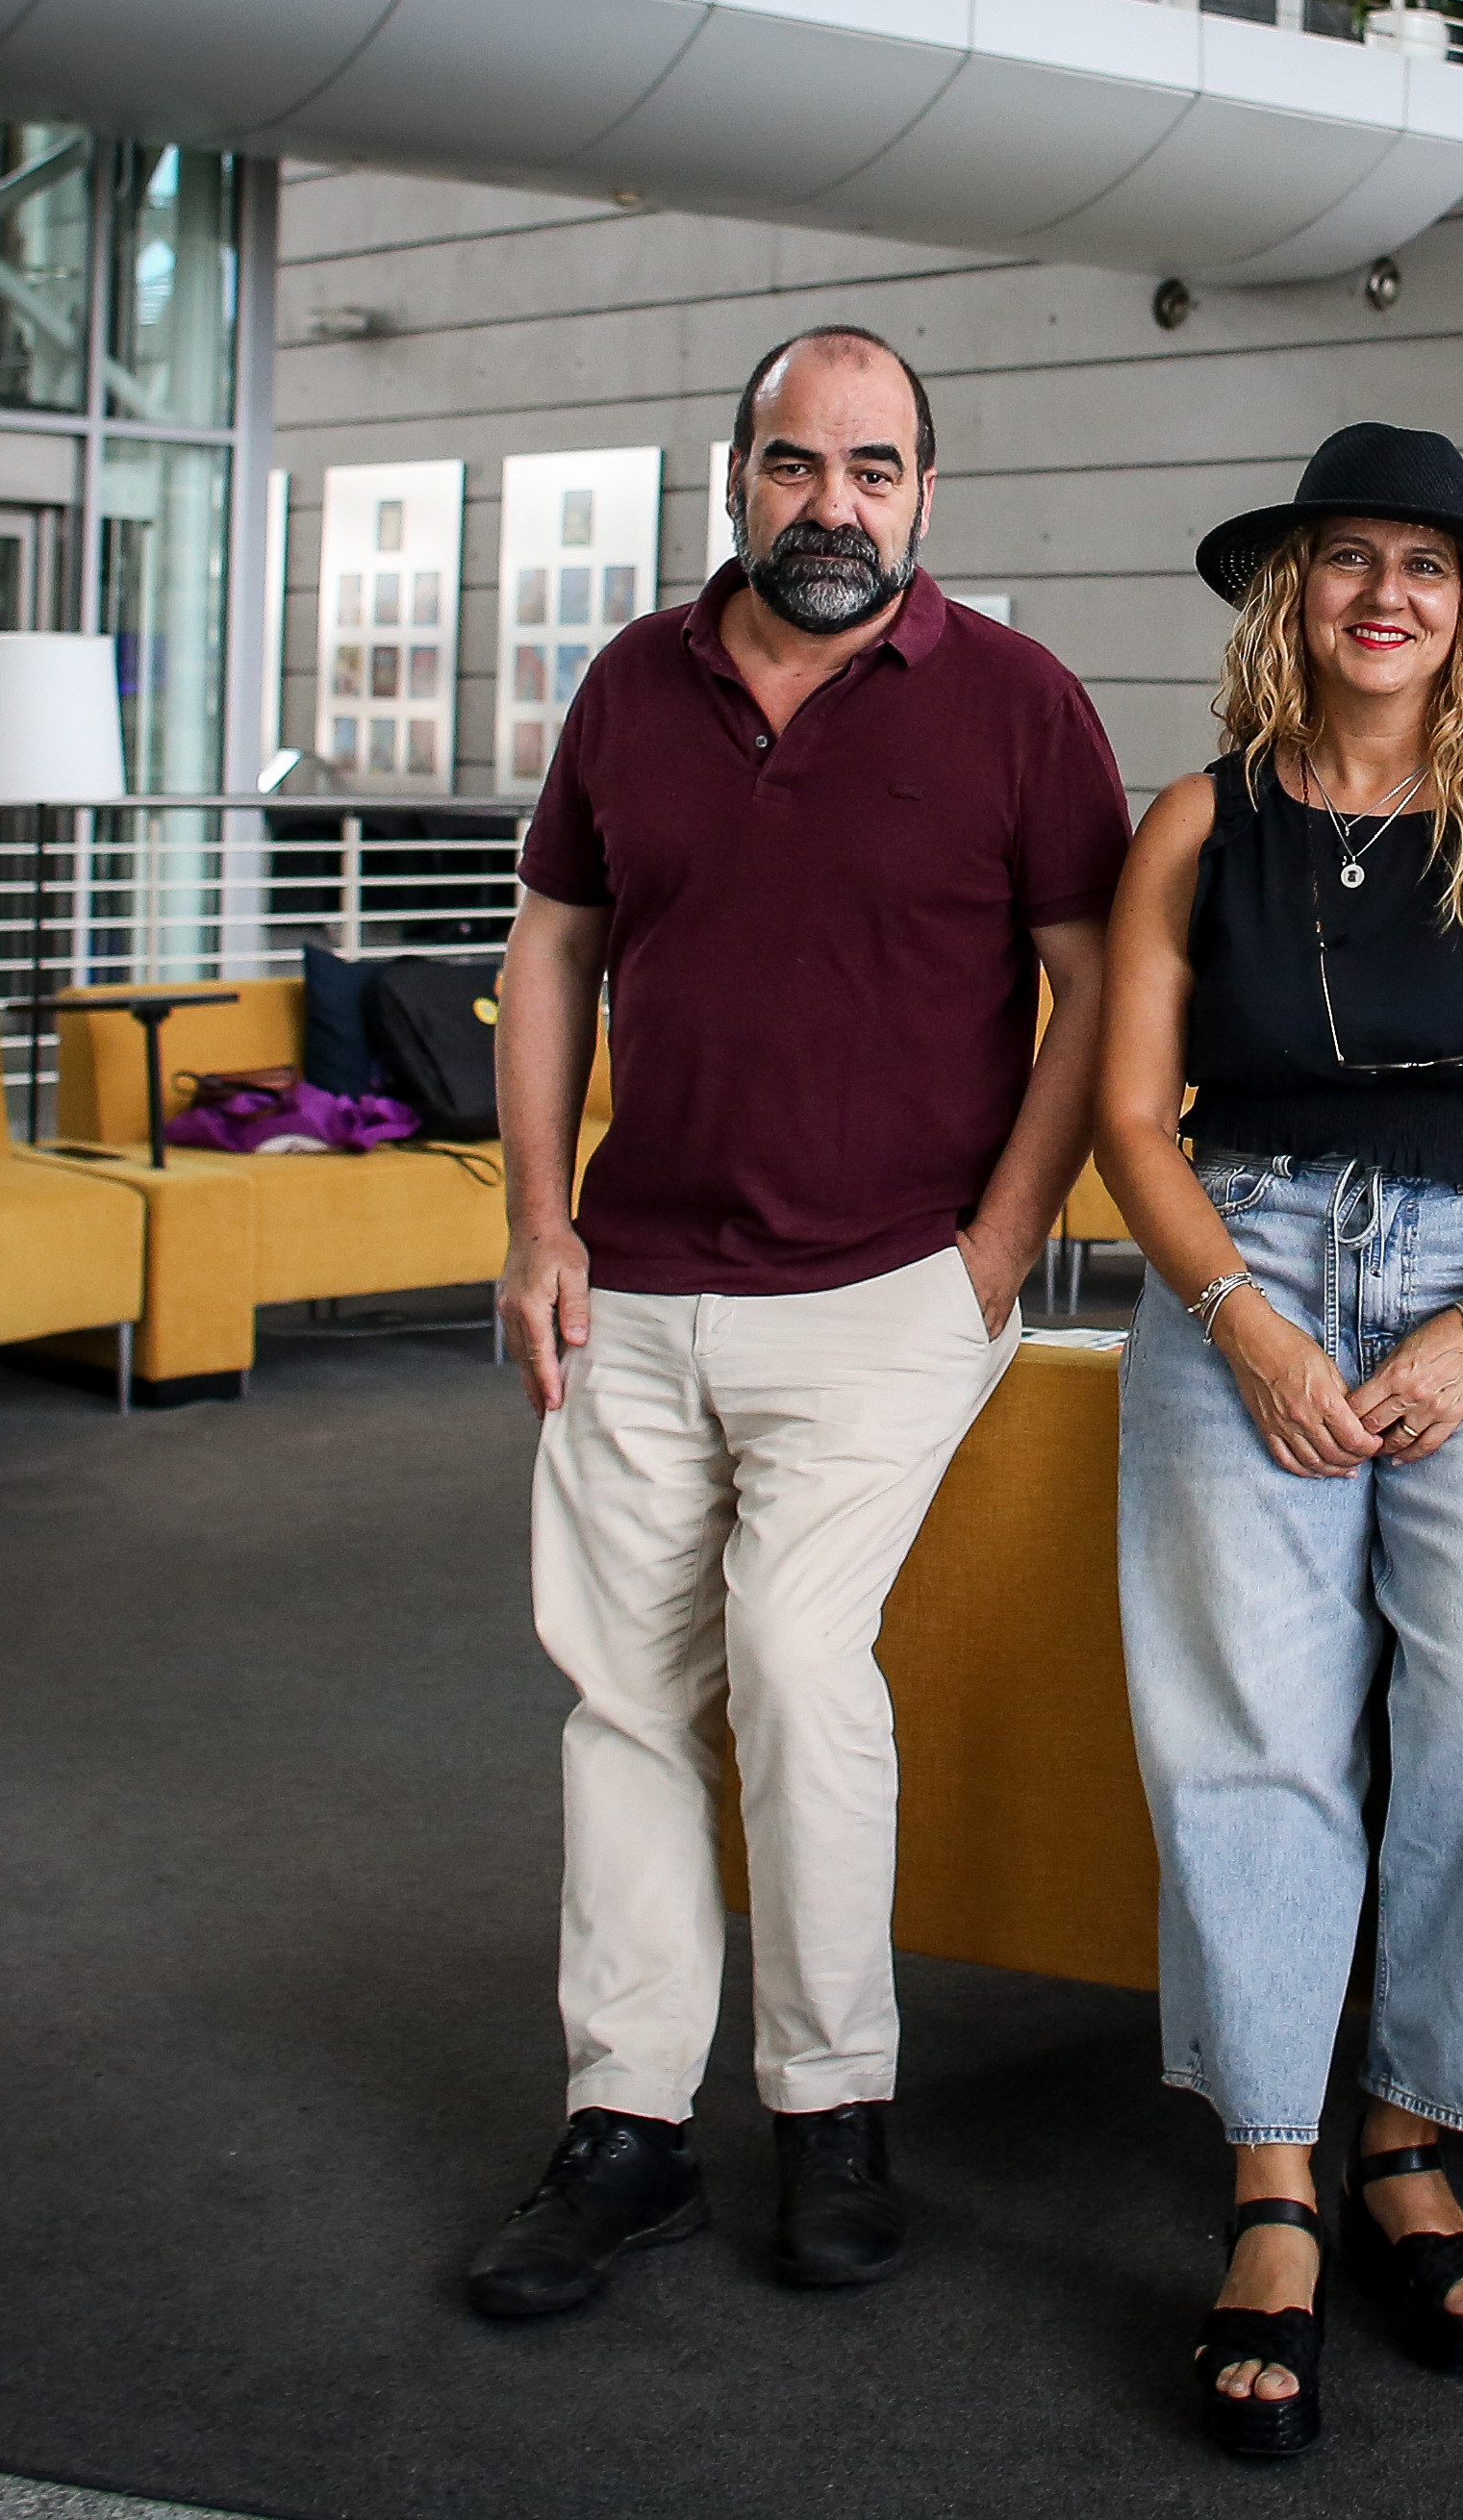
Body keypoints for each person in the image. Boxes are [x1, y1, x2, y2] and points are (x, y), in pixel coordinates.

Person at [464, 325, 1133, 2319]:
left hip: (886, 1285)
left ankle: (836, 2101)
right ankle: (628, 2125)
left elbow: (1092, 983)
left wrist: (1004, 1237)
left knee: (787, 1647)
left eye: (872, 467)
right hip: (637, 1278)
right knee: (620, 1690)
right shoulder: (629, 688)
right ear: (735, 477)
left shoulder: (1017, 703)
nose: (828, 503)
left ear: (928, 495)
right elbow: (556, 943)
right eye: (792, 465)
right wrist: (534, 1221)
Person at [1096, 423, 1463, 2457]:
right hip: (1238, 1264)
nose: (1387, 597)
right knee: (1243, 1716)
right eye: (1349, 560)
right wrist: (1237, 1316)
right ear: (1293, 592)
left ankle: (1407, 2133)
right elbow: (1126, 1119)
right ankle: (1272, 2179)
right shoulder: (1196, 822)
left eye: (1426, 565)